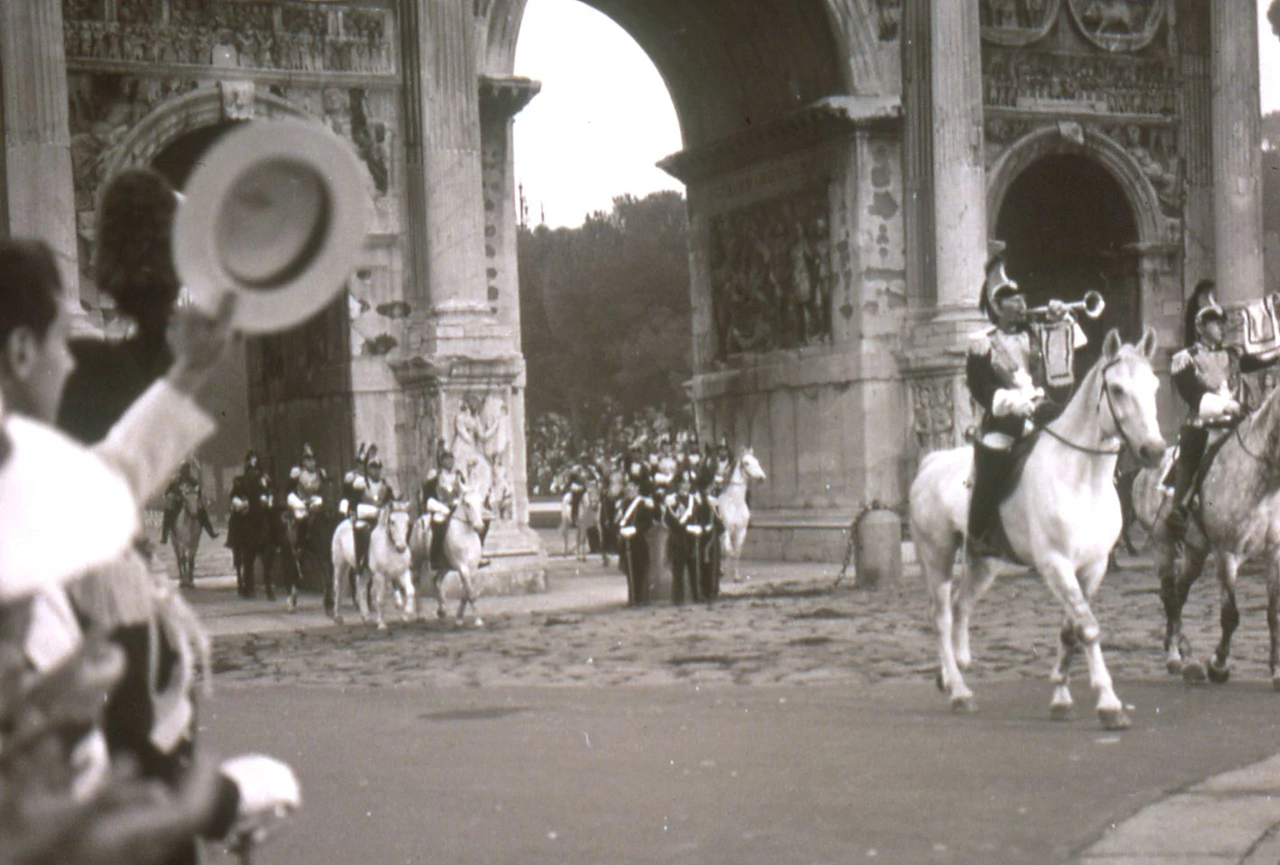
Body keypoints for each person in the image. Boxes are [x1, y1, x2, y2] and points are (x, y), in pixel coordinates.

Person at [0, 237, 298, 865]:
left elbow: (113, 471)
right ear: (23, 352)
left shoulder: (24, 468)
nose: (68, 359)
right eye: (59, 339)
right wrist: (202, 806)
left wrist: (189, 371)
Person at [964, 249, 1081, 557]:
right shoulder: (983, 342)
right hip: (1006, 417)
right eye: (1013, 300)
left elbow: (1067, 354)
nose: (1022, 304)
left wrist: (1061, 318)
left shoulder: (1036, 334)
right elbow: (980, 386)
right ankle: (978, 533)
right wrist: (1012, 403)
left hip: (1042, 411)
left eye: (1022, 298)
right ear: (997, 306)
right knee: (993, 458)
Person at [1166, 298, 1254, 535]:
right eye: (1216, 324)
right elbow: (1192, 395)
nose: (1222, 328)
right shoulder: (1186, 357)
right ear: (1201, 328)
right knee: (1193, 457)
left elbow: (1262, 358)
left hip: (1235, 424)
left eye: (1223, 324)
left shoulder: (1233, 356)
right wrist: (1225, 407)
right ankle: (1180, 508)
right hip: (1203, 423)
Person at [227, 450, 273, 598]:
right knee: (236, 521)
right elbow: (234, 495)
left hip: (259, 508)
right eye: (251, 460)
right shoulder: (240, 480)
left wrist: (266, 498)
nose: (253, 462)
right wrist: (240, 503)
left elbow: (267, 491)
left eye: (255, 460)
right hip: (246, 509)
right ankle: (235, 540)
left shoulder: (263, 479)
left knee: (273, 520)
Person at [420, 449, 463, 574]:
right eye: (446, 459)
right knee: (438, 527)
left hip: (456, 508)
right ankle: (436, 557)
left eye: (451, 458)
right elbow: (428, 495)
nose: (450, 461)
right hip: (441, 508)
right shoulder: (435, 477)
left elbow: (463, 491)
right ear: (441, 461)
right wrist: (441, 508)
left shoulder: (458, 476)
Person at [351, 452, 395, 573]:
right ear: (368, 469)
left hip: (381, 519)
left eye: (378, 468)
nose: (376, 471)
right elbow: (354, 504)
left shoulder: (385, 486)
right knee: (364, 532)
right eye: (373, 468)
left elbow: (390, 501)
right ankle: (362, 559)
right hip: (365, 518)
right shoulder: (361, 484)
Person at [617, 474, 654, 606]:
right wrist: (621, 530)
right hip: (626, 541)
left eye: (632, 486)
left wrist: (636, 530)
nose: (629, 489)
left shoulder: (643, 504)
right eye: (628, 486)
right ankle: (631, 597)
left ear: (637, 488)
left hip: (638, 541)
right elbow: (619, 521)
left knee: (639, 570)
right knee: (629, 570)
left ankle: (639, 597)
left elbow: (648, 523)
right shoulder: (623, 504)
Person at [160, 459, 218, 545]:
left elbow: (198, 492)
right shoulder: (175, 481)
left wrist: (197, 498)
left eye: (187, 469)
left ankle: (210, 531)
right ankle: (164, 536)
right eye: (184, 469)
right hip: (178, 503)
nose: (185, 471)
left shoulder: (193, 481)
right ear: (180, 470)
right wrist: (174, 497)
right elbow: (167, 492)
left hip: (191, 502)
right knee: (168, 512)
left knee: (202, 511)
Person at [285, 442, 327, 547]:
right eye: (308, 460)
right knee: (301, 519)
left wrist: (320, 500)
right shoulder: (297, 473)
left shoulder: (320, 473)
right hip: (302, 504)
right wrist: (298, 503)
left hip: (316, 503)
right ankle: (300, 546)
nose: (311, 463)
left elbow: (325, 490)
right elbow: (289, 491)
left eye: (313, 459)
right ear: (303, 461)